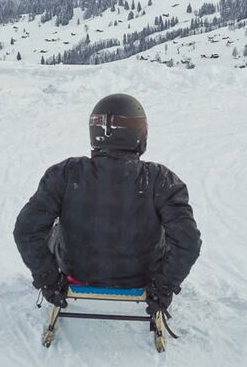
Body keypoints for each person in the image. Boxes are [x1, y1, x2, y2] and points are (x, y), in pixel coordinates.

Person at [14, 92, 202, 320]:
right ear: (139, 136)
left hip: (76, 272)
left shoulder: (65, 174)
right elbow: (187, 241)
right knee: (165, 232)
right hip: (141, 276)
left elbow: (26, 230)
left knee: (51, 228)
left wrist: (49, 279)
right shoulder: (160, 180)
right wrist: (164, 286)